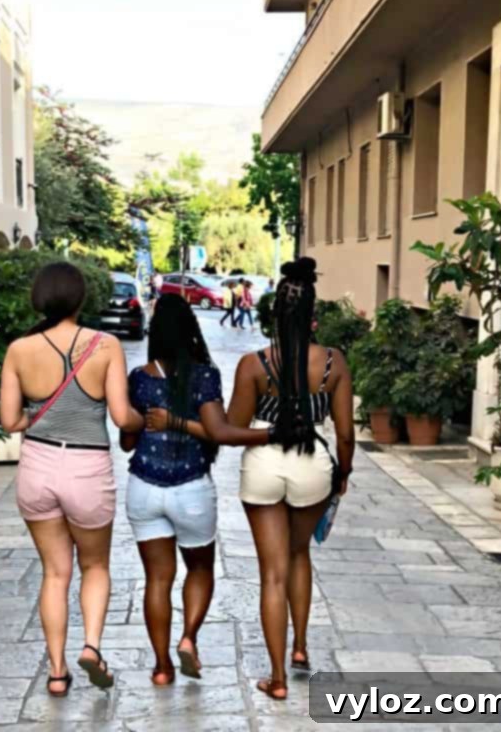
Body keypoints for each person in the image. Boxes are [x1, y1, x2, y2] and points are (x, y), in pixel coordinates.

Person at [0, 262, 144, 697]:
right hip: (87, 469)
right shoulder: (105, 346)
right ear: (82, 299)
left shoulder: (19, 350)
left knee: (55, 572)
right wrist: (143, 419)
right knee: (95, 565)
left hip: (38, 467)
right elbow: (121, 416)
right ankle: (91, 647)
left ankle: (57, 672)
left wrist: (40, 416)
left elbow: (10, 420)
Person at [122, 294, 281, 685]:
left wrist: (154, 422)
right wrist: (273, 435)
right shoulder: (204, 376)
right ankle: (189, 637)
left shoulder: (139, 378)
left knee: (157, 579)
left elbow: (127, 442)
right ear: (191, 331)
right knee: (200, 567)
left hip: (143, 487)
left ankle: (161, 668)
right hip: (191, 488)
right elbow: (218, 431)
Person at [222, 258, 354, 702]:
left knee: (271, 574)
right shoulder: (333, 362)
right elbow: (346, 432)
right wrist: (344, 473)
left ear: (273, 316)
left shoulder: (253, 365)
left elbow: (232, 428)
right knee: (300, 555)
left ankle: (276, 678)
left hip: (262, 464)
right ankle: (300, 648)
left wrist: (268, 429)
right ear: (314, 316)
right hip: (312, 465)